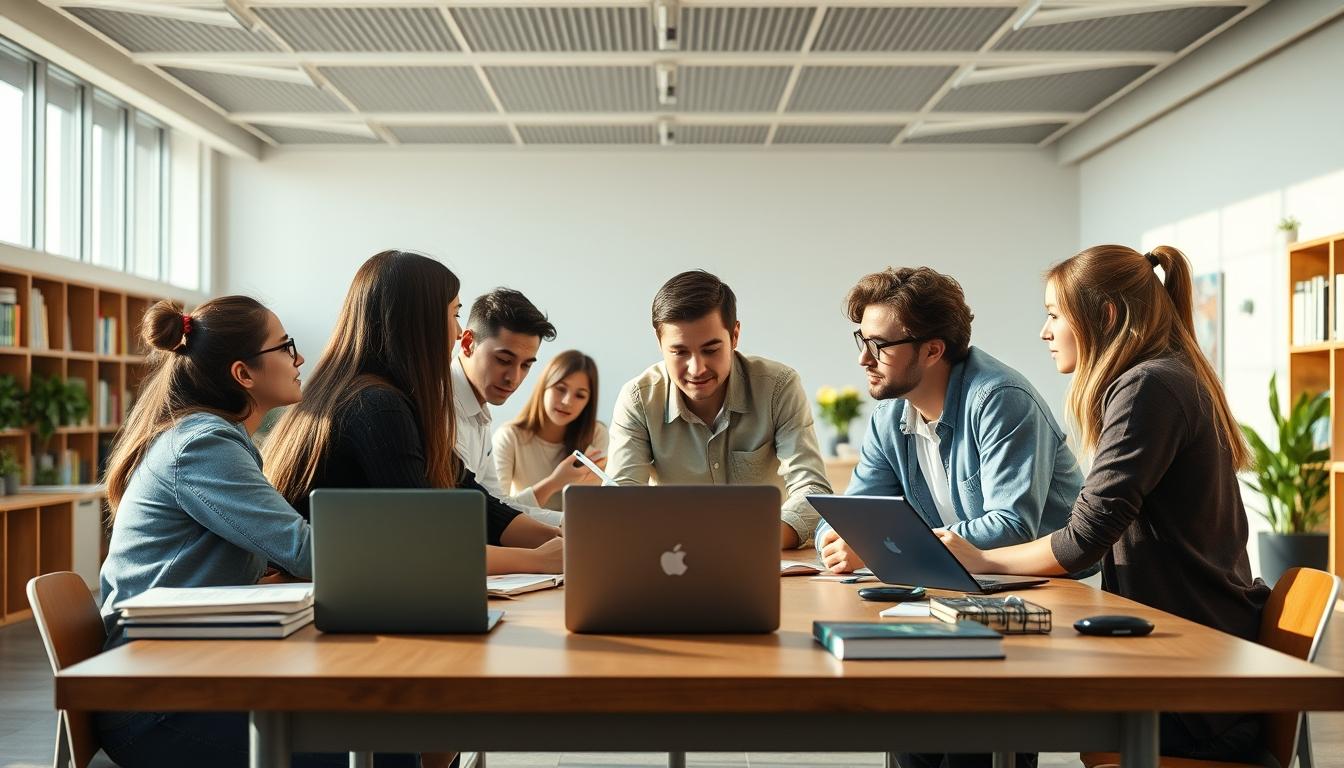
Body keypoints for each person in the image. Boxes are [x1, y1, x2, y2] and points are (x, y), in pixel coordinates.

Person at [936, 245, 1272, 763]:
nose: (1044, 333)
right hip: (1193, 656)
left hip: (1191, 684)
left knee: (983, 710)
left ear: (1106, 315)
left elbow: (1084, 540)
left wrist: (981, 559)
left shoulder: (1148, 386)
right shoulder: (1167, 375)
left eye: (1053, 315)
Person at [96, 298, 414, 767]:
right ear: (244, 374)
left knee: (389, 729)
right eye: (286, 347)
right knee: (387, 749)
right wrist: (416, 571)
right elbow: (304, 551)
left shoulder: (212, 437)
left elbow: (277, 555)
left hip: (186, 672)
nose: (299, 359)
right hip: (156, 699)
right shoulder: (203, 444)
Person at [264, 250, 562, 574]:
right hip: (315, 602)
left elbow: (467, 496)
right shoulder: (376, 406)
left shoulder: (378, 396)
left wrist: (554, 539)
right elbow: (424, 539)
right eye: (454, 314)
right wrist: (539, 560)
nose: (457, 330)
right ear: (420, 323)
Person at [815, 267, 1083, 579]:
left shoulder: (1000, 399)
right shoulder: (888, 418)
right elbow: (854, 514)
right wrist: (836, 540)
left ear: (932, 351)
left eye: (879, 345)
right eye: (862, 340)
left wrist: (882, 545)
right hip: (961, 580)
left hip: (1057, 585)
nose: (864, 358)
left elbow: (1012, 527)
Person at [605, 270, 830, 549]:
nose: (696, 368)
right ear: (659, 343)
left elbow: (813, 491)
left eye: (710, 350)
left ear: (735, 335)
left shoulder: (778, 387)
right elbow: (618, 503)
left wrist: (752, 539)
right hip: (673, 561)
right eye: (680, 352)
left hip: (762, 556)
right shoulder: (639, 399)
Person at [452, 287, 566, 525]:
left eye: (526, 365)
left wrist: (576, 520)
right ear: (467, 343)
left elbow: (496, 502)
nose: (513, 378)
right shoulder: (440, 406)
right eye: (504, 360)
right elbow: (467, 514)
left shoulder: (478, 408)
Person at [493, 350, 609, 512]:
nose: (567, 401)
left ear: (588, 402)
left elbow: (595, 508)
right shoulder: (509, 436)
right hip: (526, 534)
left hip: (577, 534)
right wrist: (554, 482)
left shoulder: (596, 433)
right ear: (544, 387)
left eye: (580, 396)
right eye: (561, 389)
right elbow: (498, 509)